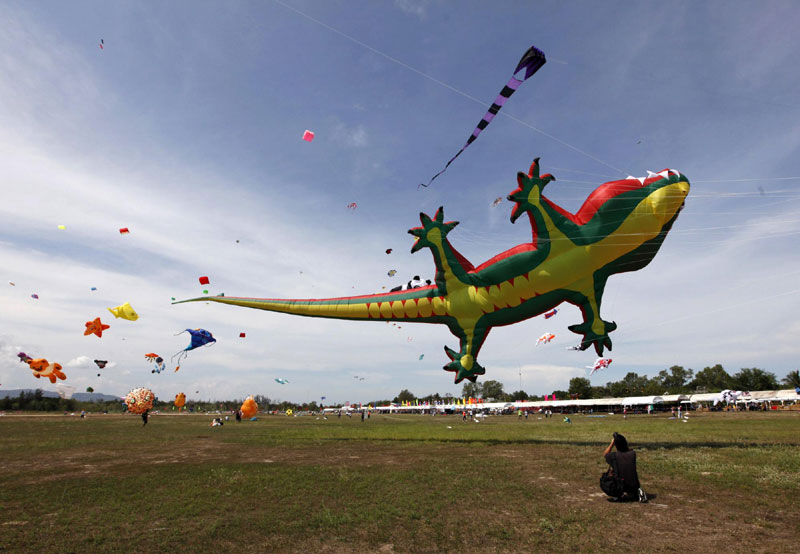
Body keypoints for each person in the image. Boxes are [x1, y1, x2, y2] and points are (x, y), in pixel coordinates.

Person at [602, 432, 647, 502]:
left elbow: (605, 454)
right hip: (634, 485)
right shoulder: (632, 454)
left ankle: (618, 494)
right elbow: (627, 450)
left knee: (605, 479)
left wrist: (612, 444)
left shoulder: (614, 456)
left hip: (621, 485)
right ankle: (635, 493)